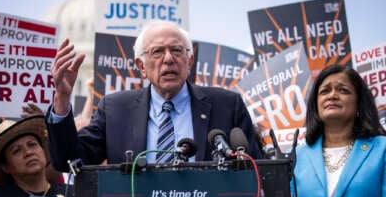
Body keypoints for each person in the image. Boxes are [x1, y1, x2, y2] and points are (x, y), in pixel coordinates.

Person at [46, 20, 263, 170]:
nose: (168, 59)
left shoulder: (227, 105)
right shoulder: (114, 109)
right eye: (157, 52)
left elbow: (254, 169)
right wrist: (62, 100)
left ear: (189, 61)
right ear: (141, 66)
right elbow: (69, 160)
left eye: (177, 50)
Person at [273, 65, 386, 197]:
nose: (332, 95)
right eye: (325, 91)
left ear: (359, 104)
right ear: (316, 104)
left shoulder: (382, 149)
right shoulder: (295, 157)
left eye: (343, 90)